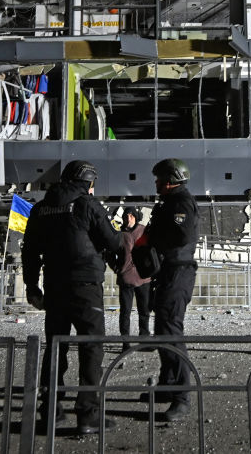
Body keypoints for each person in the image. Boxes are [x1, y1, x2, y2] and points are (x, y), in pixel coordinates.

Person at [22, 160, 122, 435]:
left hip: (54, 286)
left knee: (56, 348)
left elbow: (29, 251)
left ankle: (50, 411)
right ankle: (88, 415)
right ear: (88, 182)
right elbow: (113, 241)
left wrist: (32, 287)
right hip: (86, 286)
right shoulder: (88, 205)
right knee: (91, 348)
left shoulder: (41, 209)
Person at [144, 158, 199, 422]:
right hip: (168, 272)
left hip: (178, 271)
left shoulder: (181, 203)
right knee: (162, 330)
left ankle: (182, 397)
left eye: (159, 178)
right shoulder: (170, 202)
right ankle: (167, 385)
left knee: (171, 331)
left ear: (171, 179)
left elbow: (182, 235)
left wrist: (155, 241)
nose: (155, 183)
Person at [116, 207, 150, 348]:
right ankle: (125, 343)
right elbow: (110, 252)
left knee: (144, 312)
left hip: (143, 277)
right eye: (126, 216)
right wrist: (117, 268)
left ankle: (145, 340)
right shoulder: (119, 234)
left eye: (130, 216)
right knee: (125, 313)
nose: (127, 218)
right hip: (126, 278)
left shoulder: (144, 231)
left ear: (135, 217)